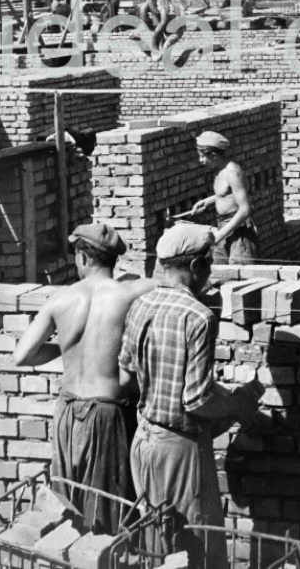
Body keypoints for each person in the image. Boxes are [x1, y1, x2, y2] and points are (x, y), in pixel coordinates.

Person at [119, 225, 265, 567]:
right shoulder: (198, 316)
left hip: (143, 442)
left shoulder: (140, 303)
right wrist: (237, 402)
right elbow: (197, 398)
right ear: (196, 265)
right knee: (195, 547)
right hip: (179, 449)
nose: (210, 275)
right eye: (209, 267)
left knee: (158, 542)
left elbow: (126, 374)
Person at [14, 224, 155, 532]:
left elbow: (22, 355)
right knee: (110, 506)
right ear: (113, 260)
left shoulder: (61, 299)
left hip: (68, 410)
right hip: (108, 411)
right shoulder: (132, 292)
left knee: (68, 501)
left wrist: (67, 344)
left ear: (82, 257)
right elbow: (175, 285)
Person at [187, 130, 259, 264]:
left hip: (239, 233)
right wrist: (207, 201)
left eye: (203, 156)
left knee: (241, 278)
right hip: (223, 228)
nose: (201, 161)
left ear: (214, 155)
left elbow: (245, 209)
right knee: (219, 275)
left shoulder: (233, 172)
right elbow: (227, 194)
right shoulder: (219, 171)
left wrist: (220, 234)